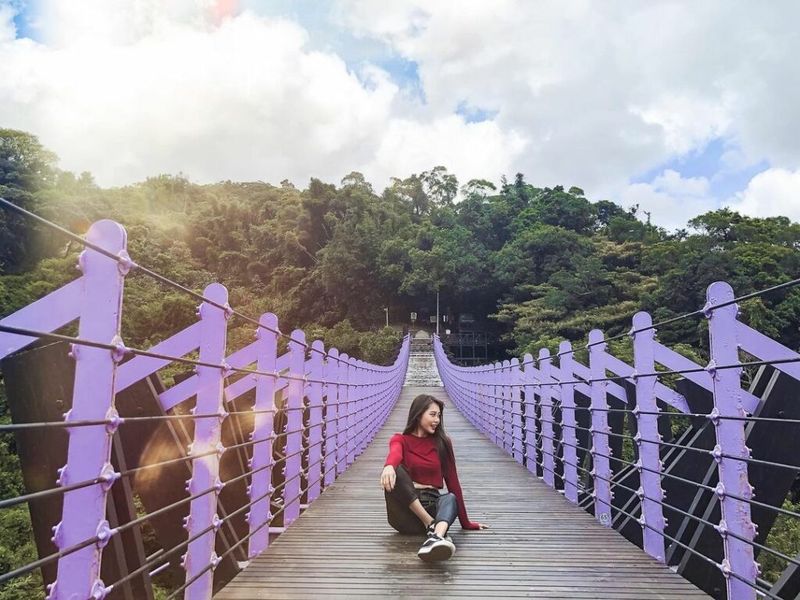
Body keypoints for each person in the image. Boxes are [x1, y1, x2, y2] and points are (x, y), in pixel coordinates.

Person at [380, 394, 488, 562]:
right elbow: (394, 454)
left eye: (439, 415)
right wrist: (389, 466)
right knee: (397, 469)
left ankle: (436, 536)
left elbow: (453, 484)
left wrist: (466, 522)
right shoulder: (400, 439)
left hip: (433, 506)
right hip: (405, 514)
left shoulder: (443, 443)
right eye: (432, 414)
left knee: (450, 498)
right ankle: (431, 525)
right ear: (418, 414)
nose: (437, 420)